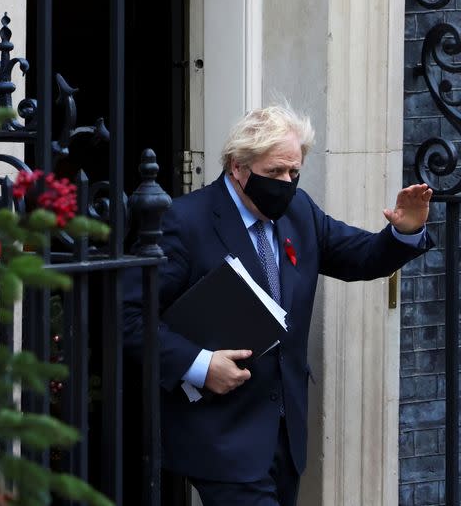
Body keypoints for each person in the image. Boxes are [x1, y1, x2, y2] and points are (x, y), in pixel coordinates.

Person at [122, 104, 433, 505]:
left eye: (294, 172)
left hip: (286, 435)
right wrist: (200, 364)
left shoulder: (298, 211)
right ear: (238, 166)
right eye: (275, 172)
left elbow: (362, 256)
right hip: (222, 437)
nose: (286, 182)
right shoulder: (184, 221)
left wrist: (404, 232)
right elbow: (127, 319)